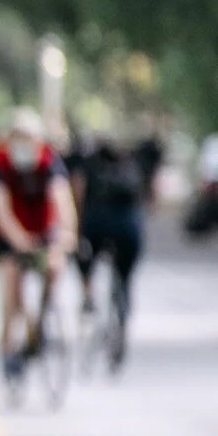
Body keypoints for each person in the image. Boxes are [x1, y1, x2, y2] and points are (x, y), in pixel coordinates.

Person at [0, 107, 76, 378]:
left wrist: (66, 233)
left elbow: (62, 199)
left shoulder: (48, 160)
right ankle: (7, 349)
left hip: (41, 229)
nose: (23, 144)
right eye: (17, 138)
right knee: (11, 287)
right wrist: (18, 239)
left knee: (54, 268)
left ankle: (39, 329)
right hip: (8, 235)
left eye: (28, 138)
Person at [74, 135, 146, 361]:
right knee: (125, 277)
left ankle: (88, 295)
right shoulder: (134, 165)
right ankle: (123, 311)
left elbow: (78, 194)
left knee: (83, 256)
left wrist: (75, 230)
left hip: (97, 226)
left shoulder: (89, 164)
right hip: (129, 230)